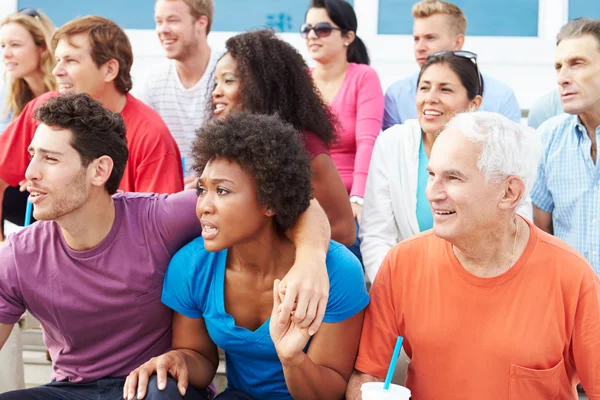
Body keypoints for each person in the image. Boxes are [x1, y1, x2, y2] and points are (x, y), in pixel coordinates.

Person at [0, 94, 333, 400]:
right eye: (32, 156)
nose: (30, 173)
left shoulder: (160, 219)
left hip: (155, 386)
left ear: (100, 170)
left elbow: (297, 202)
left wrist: (310, 260)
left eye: (51, 159)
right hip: (69, 390)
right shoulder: (18, 255)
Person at [345, 112, 600, 400]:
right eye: (431, 174)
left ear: (509, 193)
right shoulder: (401, 263)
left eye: (452, 178)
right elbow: (368, 375)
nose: (432, 192)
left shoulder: (572, 277)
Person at [124, 112, 369, 400]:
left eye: (223, 191)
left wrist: (292, 359)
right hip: (239, 396)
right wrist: (180, 360)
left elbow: (327, 392)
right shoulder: (191, 265)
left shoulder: (338, 271)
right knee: (157, 390)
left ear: (270, 201)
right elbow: (201, 358)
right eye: (203, 190)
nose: (204, 205)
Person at [360, 51, 533, 283]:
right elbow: (376, 236)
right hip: (408, 283)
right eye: (424, 88)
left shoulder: (498, 148)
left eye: (445, 89)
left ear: (474, 104)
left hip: (485, 283)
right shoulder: (392, 143)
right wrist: (398, 291)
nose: (430, 98)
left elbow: (519, 224)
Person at [0, 16, 184, 227]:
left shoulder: (151, 136)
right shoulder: (44, 109)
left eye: (71, 61)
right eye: (58, 59)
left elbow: (159, 228)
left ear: (109, 70)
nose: (56, 71)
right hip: (50, 249)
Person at [209, 29, 355, 245]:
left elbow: (344, 231)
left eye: (228, 81)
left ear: (261, 86)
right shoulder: (228, 147)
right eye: (215, 83)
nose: (216, 92)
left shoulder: (307, 148)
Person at [304, 0, 384, 230]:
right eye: (307, 29)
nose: (312, 35)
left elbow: (366, 143)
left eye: (322, 29)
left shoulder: (364, 77)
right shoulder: (299, 81)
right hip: (304, 200)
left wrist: (357, 198)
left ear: (348, 37)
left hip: (349, 198)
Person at [382, 0, 521, 130]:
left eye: (430, 38)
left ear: (458, 42)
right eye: (416, 39)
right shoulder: (396, 94)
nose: (420, 47)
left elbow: (511, 153)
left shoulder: (501, 96)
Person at [531, 18, 600, 276]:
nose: (562, 78)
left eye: (577, 64)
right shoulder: (548, 138)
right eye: (558, 67)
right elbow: (542, 235)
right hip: (572, 304)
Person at [135, 0, 220, 189]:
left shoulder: (229, 74)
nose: (163, 30)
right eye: (159, 21)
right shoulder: (151, 82)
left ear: (201, 23)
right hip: (169, 197)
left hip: (221, 194)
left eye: (173, 20)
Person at [0, 8, 55, 237]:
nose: (6, 53)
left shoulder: (64, 92)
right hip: (23, 187)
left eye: (15, 45)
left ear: (42, 47)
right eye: (3, 46)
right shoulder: (11, 96)